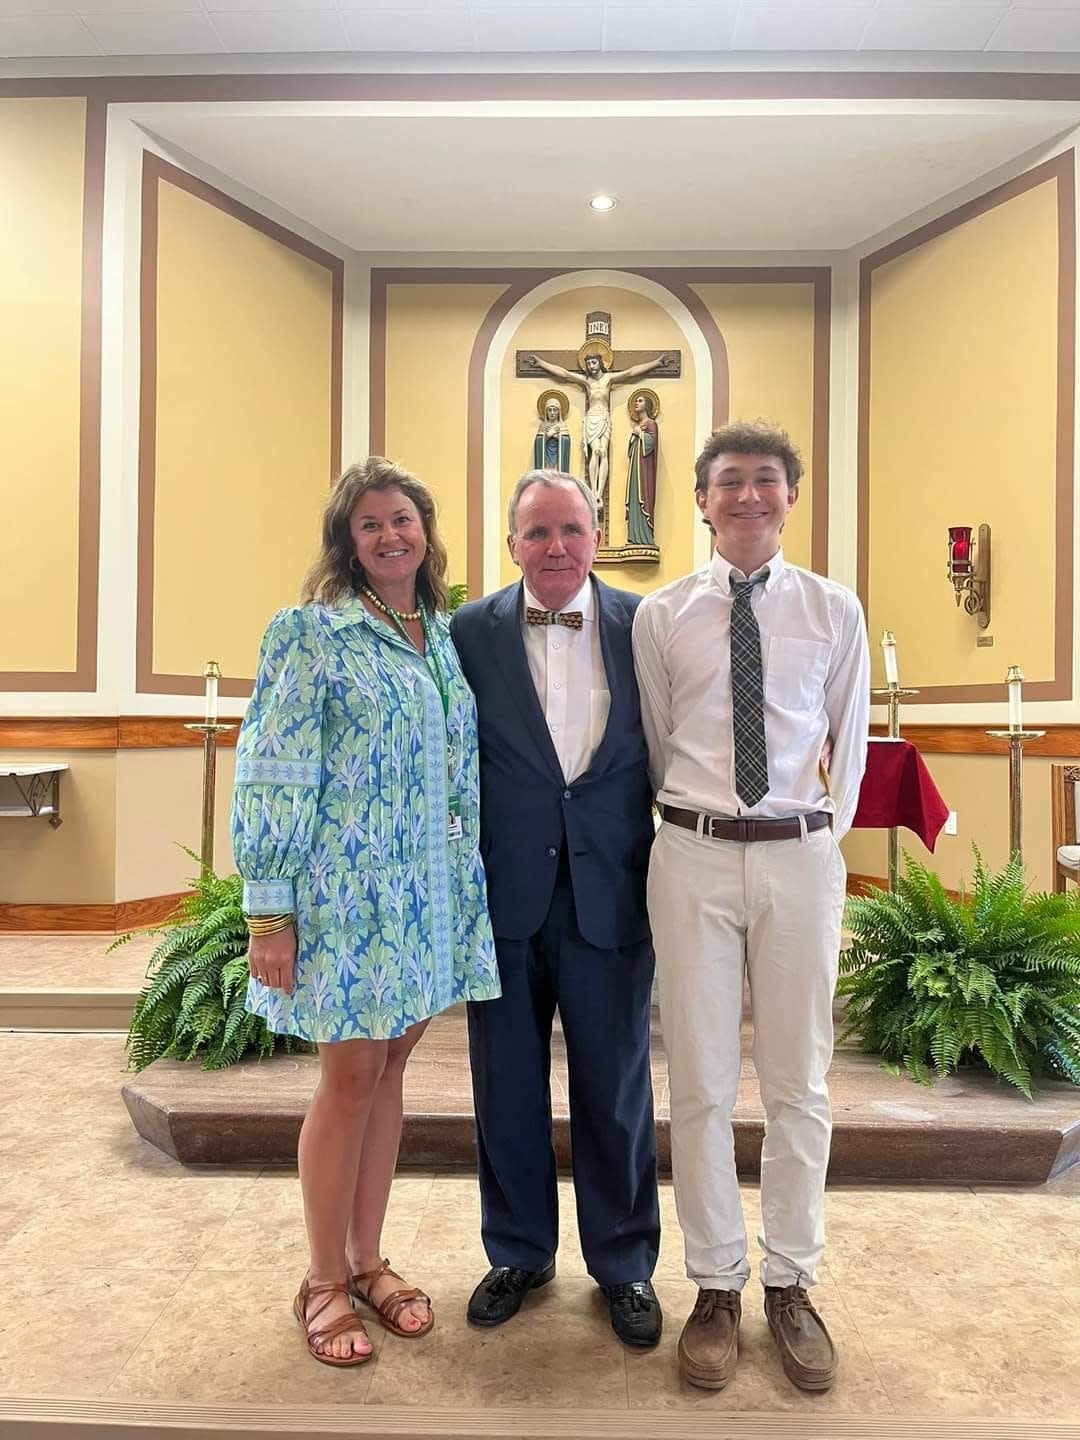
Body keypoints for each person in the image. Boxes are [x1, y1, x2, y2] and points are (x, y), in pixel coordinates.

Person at [232, 457, 501, 1368]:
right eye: (370, 524)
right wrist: (270, 912)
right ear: (346, 542)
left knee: (390, 1074)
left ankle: (367, 1258)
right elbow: (272, 770)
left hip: (427, 896)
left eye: (404, 519)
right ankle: (321, 1282)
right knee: (347, 1084)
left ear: (427, 530)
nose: (391, 535)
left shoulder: (442, 635)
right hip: (348, 900)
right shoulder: (311, 634)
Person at [632, 420, 869, 1394]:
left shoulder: (833, 609)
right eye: (728, 482)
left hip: (799, 857)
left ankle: (791, 1281)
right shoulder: (663, 615)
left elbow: (848, 748)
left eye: (765, 481)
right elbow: (655, 738)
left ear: (789, 496)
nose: (747, 496)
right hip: (689, 855)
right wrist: (699, 826)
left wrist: (812, 836)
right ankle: (716, 1284)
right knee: (696, 1079)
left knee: (799, 1084)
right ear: (700, 499)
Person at [450, 469, 662, 1349]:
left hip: (612, 890)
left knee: (614, 1090)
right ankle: (520, 1250)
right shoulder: (467, 632)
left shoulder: (646, 624)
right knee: (504, 1085)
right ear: (511, 544)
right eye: (538, 533)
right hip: (504, 894)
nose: (557, 548)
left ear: (597, 532)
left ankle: (624, 1265)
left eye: (572, 530)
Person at [528, 350, 669, 515]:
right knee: (595, 451)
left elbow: (630, 372)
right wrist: (541, 364)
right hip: (591, 418)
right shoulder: (587, 382)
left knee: (603, 453)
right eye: (588, 364)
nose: (591, 366)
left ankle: (599, 494)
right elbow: (564, 374)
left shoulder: (608, 379)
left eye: (594, 362)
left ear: (600, 362)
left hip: (604, 418)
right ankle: (594, 492)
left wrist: (656, 363)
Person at [625, 391, 659, 548]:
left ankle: (644, 537)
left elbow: (650, 445)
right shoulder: (639, 426)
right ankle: (633, 535)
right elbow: (631, 451)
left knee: (642, 498)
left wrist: (640, 434)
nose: (636, 403)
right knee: (633, 499)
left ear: (647, 405)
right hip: (634, 470)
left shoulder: (651, 424)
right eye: (636, 401)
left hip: (644, 471)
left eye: (640, 400)